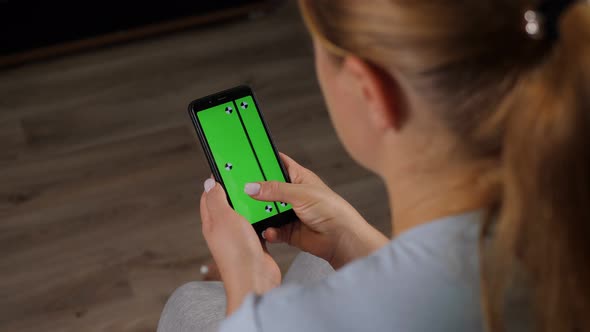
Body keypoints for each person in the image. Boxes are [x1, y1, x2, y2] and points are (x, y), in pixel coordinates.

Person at [158, 0, 590, 331]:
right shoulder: (560, 225)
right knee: (316, 263)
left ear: (371, 91)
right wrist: (350, 238)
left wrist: (248, 289)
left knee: (189, 303)